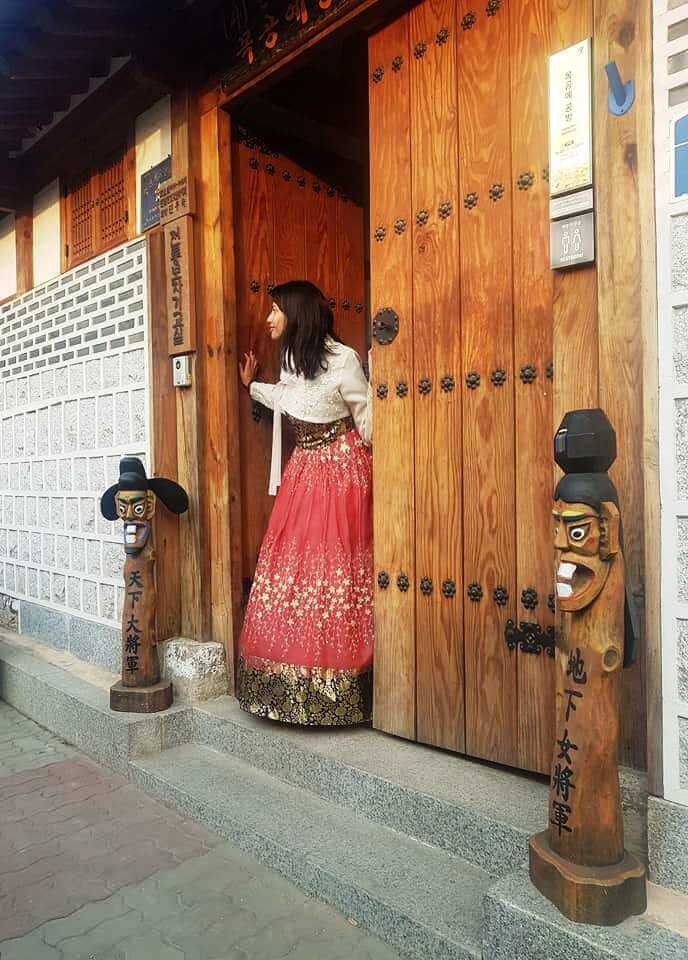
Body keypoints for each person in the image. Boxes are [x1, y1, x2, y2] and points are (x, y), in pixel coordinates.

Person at [237, 280, 373, 726]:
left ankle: (344, 683)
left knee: (333, 568)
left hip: (340, 470)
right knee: (296, 567)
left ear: (296, 314)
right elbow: (285, 396)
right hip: (305, 471)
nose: (269, 318)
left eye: (276, 310)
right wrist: (253, 386)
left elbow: (367, 419)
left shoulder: (344, 360)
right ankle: (293, 682)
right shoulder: (294, 361)